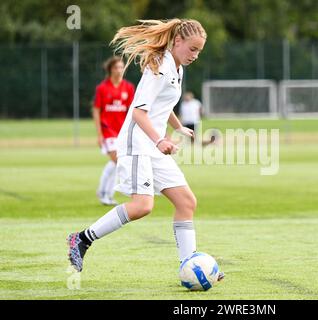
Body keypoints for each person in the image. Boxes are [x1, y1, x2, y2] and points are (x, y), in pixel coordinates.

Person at [67, 18, 224, 282]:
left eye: (199, 51)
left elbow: (162, 105)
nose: (195, 55)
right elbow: (139, 113)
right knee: (142, 206)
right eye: (193, 49)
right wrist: (160, 140)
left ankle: (190, 264)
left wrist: (179, 126)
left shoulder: (177, 67)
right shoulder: (160, 66)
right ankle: (81, 239)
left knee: (186, 202)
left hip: (151, 144)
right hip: (137, 141)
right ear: (177, 41)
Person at [92, 56, 135, 205]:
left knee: (118, 162)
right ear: (110, 69)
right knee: (117, 160)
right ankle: (104, 193)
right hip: (108, 130)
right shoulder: (102, 88)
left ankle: (106, 194)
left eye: (122, 67)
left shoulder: (128, 87)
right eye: (116, 67)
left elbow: (132, 110)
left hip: (122, 131)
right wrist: (99, 134)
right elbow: (96, 110)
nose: (119, 70)